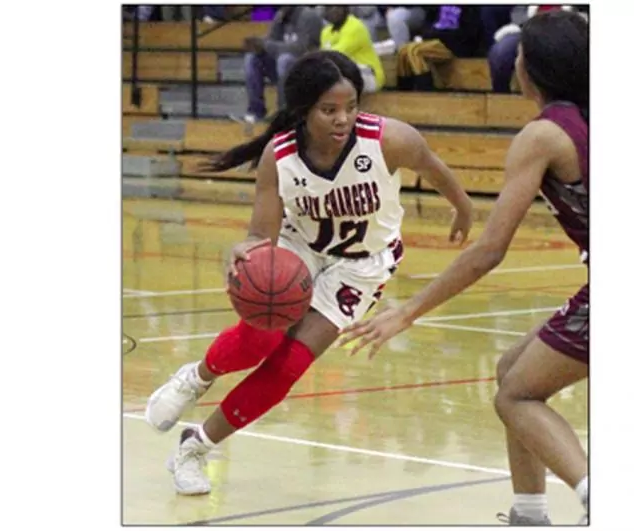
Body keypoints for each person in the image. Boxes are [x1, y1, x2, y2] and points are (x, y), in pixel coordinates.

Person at [144, 50, 476, 496]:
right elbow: (260, 234)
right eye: (329, 110)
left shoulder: (389, 139)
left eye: (351, 107)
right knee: (260, 339)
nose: (343, 119)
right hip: (299, 248)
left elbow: (435, 169)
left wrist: (463, 208)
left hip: (361, 264)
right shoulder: (279, 157)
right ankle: (197, 377)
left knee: (290, 365)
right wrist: (246, 248)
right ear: (304, 110)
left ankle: (195, 446)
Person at [338, 11, 589, 526]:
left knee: (516, 396)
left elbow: (490, 250)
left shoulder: (543, 135)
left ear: (532, 68)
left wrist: (407, 311)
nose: (513, 62)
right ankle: (529, 514)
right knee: (510, 372)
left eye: (519, 55)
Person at [238, 6, 323, 125]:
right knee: (252, 58)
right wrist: (258, 46)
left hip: (307, 71)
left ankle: (285, 112)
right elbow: (270, 42)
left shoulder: (308, 16)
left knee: (284, 59)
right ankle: (256, 111)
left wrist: (266, 45)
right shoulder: (280, 16)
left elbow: (302, 49)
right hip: (283, 70)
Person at [321, 6, 385, 93]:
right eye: (328, 8)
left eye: (337, 7)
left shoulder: (355, 26)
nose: (333, 10)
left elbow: (337, 54)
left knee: (337, 71)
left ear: (346, 9)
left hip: (369, 75)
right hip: (345, 73)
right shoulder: (325, 32)